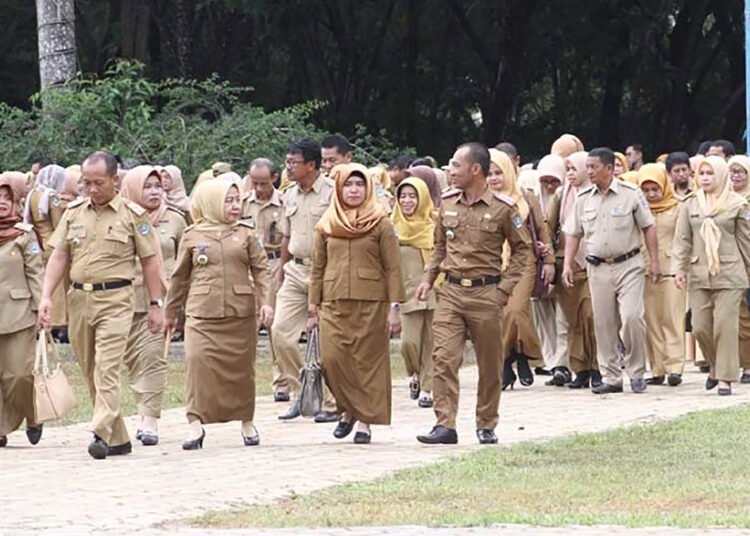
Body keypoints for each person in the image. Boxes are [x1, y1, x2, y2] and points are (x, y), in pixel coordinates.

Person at [38, 151, 164, 459]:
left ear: (115, 180)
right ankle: (117, 437)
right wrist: (45, 296)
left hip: (116, 300)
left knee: (107, 366)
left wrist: (155, 303)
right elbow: (59, 256)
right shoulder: (73, 212)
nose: (92, 189)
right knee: (89, 368)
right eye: (87, 183)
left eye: (99, 183)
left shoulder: (133, 214)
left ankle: (99, 430)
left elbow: (150, 261)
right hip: (80, 299)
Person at [415, 142, 531, 445]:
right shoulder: (449, 203)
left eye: (456, 165)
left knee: (489, 363)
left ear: (475, 169)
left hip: (486, 294)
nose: (450, 171)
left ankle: (486, 422)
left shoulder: (504, 208)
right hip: (451, 292)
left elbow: (522, 251)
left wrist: (504, 290)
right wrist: (429, 278)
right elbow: (439, 244)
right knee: (443, 358)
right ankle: (445, 424)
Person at [166, 178, 273, 448]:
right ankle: (195, 424)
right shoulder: (192, 235)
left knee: (241, 370)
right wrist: (170, 312)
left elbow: (261, 270)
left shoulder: (246, 233)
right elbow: (179, 278)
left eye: (237, 200)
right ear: (211, 202)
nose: (235, 206)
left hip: (239, 313)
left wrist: (266, 302)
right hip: (202, 313)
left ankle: (246, 422)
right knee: (197, 364)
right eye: (227, 200)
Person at [308, 163, 404, 444]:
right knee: (333, 361)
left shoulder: (381, 222)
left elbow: (393, 268)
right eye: (348, 185)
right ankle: (347, 408)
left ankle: (364, 420)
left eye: (359, 184)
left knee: (368, 363)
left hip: (371, 303)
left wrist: (394, 308)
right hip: (333, 301)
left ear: (368, 188)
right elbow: (317, 267)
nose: (353, 190)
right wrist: (313, 304)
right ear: (339, 188)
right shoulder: (326, 224)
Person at [562, 147, 659, 394]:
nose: (590, 172)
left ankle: (637, 372)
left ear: (609, 167)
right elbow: (573, 233)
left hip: (630, 264)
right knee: (603, 323)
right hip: (598, 267)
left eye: (594, 167)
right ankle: (612, 376)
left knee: (631, 317)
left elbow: (648, 227)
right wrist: (567, 264)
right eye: (588, 167)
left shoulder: (630, 194)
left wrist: (655, 262)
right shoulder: (583, 198)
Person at [272, 138, 339, 422]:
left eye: (293, 163)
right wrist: (281, 268)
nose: (288, 167)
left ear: (311, 165)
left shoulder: (333, 192)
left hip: (326, 271)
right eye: (287, 162)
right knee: (280, 332)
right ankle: (304, 394)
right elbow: (287, 236)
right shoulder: (289, 195)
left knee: (328, 340)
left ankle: (333, 402)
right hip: (296, 271)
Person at [120, 166, 187, 445]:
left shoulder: (175, 220)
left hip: (160, 301)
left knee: (153, 358)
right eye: (147, 187)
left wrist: (178, 301)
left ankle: (149, 420)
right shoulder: (120, 217)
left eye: (158, 186)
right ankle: (136, 411)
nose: (154, 192)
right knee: (129, 361)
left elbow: (185, 262)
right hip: (122, 298)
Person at [673, 156, 750, 395]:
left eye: (710, 174)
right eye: (702, 174)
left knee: (725, 326)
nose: (705, 178)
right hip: (699, 273)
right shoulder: (691, 203)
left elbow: (745, 241)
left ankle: (726, 378)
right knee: (700, 327)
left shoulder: (737, 204)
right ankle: (715, 365)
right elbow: (683, 239)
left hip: (730, 273)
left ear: (721, 176)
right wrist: (679, 269)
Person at [487, 149, 554, 389]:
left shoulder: (525, 197)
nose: (494, 178)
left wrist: (549, 261)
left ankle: (518, 355)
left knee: (516, 311)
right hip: (492, 262)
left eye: (498, 172)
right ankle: (513, 359)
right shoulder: (481, 199)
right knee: (499, 315)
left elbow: (542, 229)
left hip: (523, 259)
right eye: (489, 173)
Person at [547, 151, 601, 389]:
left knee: (592, 316)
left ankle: (598, 366)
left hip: (594, 262)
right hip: (566, 264)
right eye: (567, 169)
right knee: (573, 320)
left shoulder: (597, 194)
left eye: (574, 169)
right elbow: (549, 228)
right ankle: (580, 368)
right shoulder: (561, 195)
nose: (570, 174)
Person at [0, 176, 43, 448]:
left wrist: (42, 310)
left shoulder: (24, 234)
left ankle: (33, 414)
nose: (1, 204)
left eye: (6, 199)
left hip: (19, 314)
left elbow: (36, 273)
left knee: (19, 375)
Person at [241, 158, 288, 401]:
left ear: (274, 178)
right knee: (245, 325)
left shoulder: (284, 204)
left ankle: (281, 381)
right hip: (247, 266)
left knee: (275, 325)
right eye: (254, 182)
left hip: (274, 263)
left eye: (263, 183)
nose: (258, 188)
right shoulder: (242, 204)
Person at [389, 177, 436, 408]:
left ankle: (428, 388)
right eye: (403, 196)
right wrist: (392, 305)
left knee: (432, 342)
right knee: (409, 343)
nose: (408, 201)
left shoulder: (434, 225)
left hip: (434, 291)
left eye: (413, 196)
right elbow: (388, 267)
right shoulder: (391, 228)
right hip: (406, 293)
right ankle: (414, 374)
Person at [638, 163, 686, 386]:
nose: (651, 195)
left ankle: (675, 367)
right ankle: (657, 368)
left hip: (672, 270)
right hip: (645, 270)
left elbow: (684, 239)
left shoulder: (678, 207)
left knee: (673, 318)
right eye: (646, 190)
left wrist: (682, 266)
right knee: (652, 320)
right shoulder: (638, 208)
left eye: (655, 189)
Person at [23, 165, 69, 342]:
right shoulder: (52, 196)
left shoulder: (33, 194)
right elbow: (59, 224)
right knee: (56, 288)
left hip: (38, 242)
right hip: (52, 244)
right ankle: (58, 323)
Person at [532, 154, 566, 377]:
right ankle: (549, 359)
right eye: (545, 181)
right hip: (537, 267)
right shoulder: (532, 200)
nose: (550, 186)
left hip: (562, 264)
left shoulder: (567, 199)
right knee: (542, 316)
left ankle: (564, 361)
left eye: (555, 181)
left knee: (563, 316)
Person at [728, 155, 750, 384]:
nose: (735, 175)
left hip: (747, 260)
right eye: (732, 171)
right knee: (738, 316)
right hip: (731, 265)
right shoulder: (721, 199)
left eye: (740, 171)